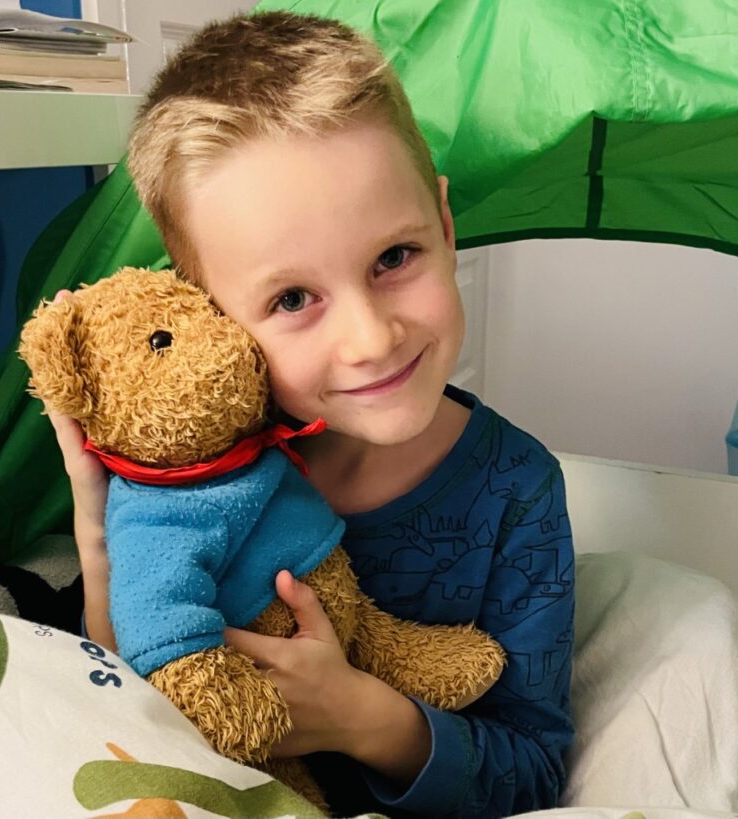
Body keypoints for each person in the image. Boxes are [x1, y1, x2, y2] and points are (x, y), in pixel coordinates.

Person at [48, 11, 574, 817]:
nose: (370, 339)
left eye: (394, 257)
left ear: (442, 223)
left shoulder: (518, 488)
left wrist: (362, 716)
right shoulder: (189, 467)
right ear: (209, 313)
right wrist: (95, 520)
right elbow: (127, 687)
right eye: (293, 298)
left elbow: (534, 768)